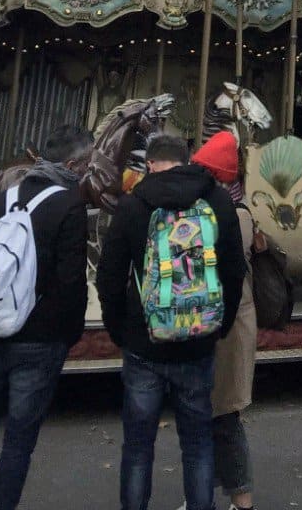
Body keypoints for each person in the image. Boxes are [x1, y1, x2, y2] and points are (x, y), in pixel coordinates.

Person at [0, 124, 92, 510]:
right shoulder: (69, 204)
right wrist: (68, 334)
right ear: (73, 163)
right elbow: (71, 281)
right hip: (40, 339)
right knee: (18, 441)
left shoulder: (0, 200)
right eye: (87, 163)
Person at [97, 131, 246, 510]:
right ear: (189, 160)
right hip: (198, 342)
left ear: (150, 164)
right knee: (197, 444)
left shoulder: (132, 206)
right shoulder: (217, 201)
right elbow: (233, 272)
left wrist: (121, 331)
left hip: (144, 343)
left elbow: (109, 277)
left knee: (137, 447)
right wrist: (220, 325)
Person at [191, 131, 257, 510]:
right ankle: (205, 495)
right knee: (210, 416)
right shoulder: (224, 209)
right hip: (220, 321)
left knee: (225, 416)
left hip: (228, 326)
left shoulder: (234, 215)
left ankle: (242, 499)